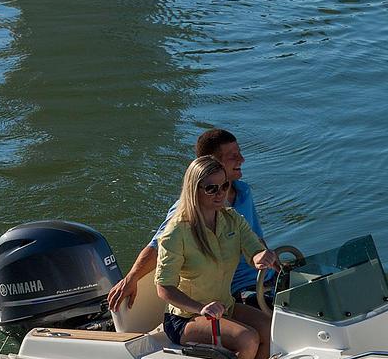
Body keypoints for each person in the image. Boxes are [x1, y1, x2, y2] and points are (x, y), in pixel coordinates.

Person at [108, 128, 274, 312]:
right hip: (237, 290)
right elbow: (158, 247)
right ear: (212, 162)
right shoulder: (185, 212)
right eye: (233, 156)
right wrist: (132, 277)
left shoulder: (243, 193)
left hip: (266, 277)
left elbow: (255, 239)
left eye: (239, 153)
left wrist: (268, 259)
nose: (241, 159)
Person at [155, 155, 278, 359]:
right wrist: (201, 308)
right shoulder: (175, 232)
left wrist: (260, 257)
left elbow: (254, 249)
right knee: (248, 339)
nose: (220, 193)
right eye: (211, 188)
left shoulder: (232, 219)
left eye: (224, 186)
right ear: (194, 190)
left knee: (272, 330)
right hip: (185, 318)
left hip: (224, 306)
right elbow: (164, 288)